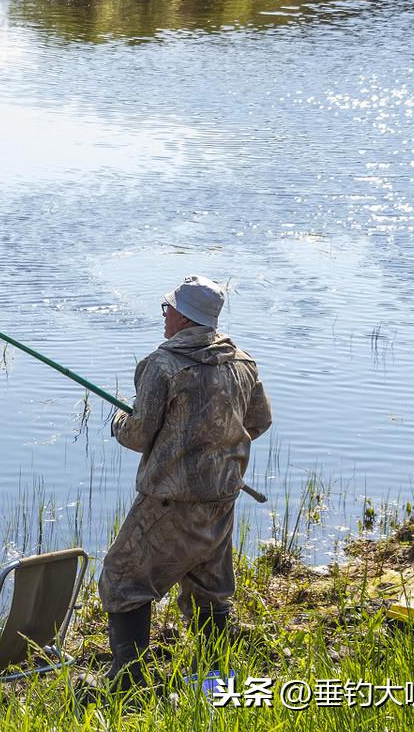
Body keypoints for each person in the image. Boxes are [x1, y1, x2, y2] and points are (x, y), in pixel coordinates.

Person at [99, 275, 272, 689]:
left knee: (122, 579)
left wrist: (118, 421)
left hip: (170, 502)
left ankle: (130, 683)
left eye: (167, 309)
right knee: (208, 587)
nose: (164, 316)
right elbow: (259, 421)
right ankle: (215, 678)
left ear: (182, 316)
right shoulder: (242, 362)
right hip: (220, 497)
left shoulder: (161, 366)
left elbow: (138, 435)